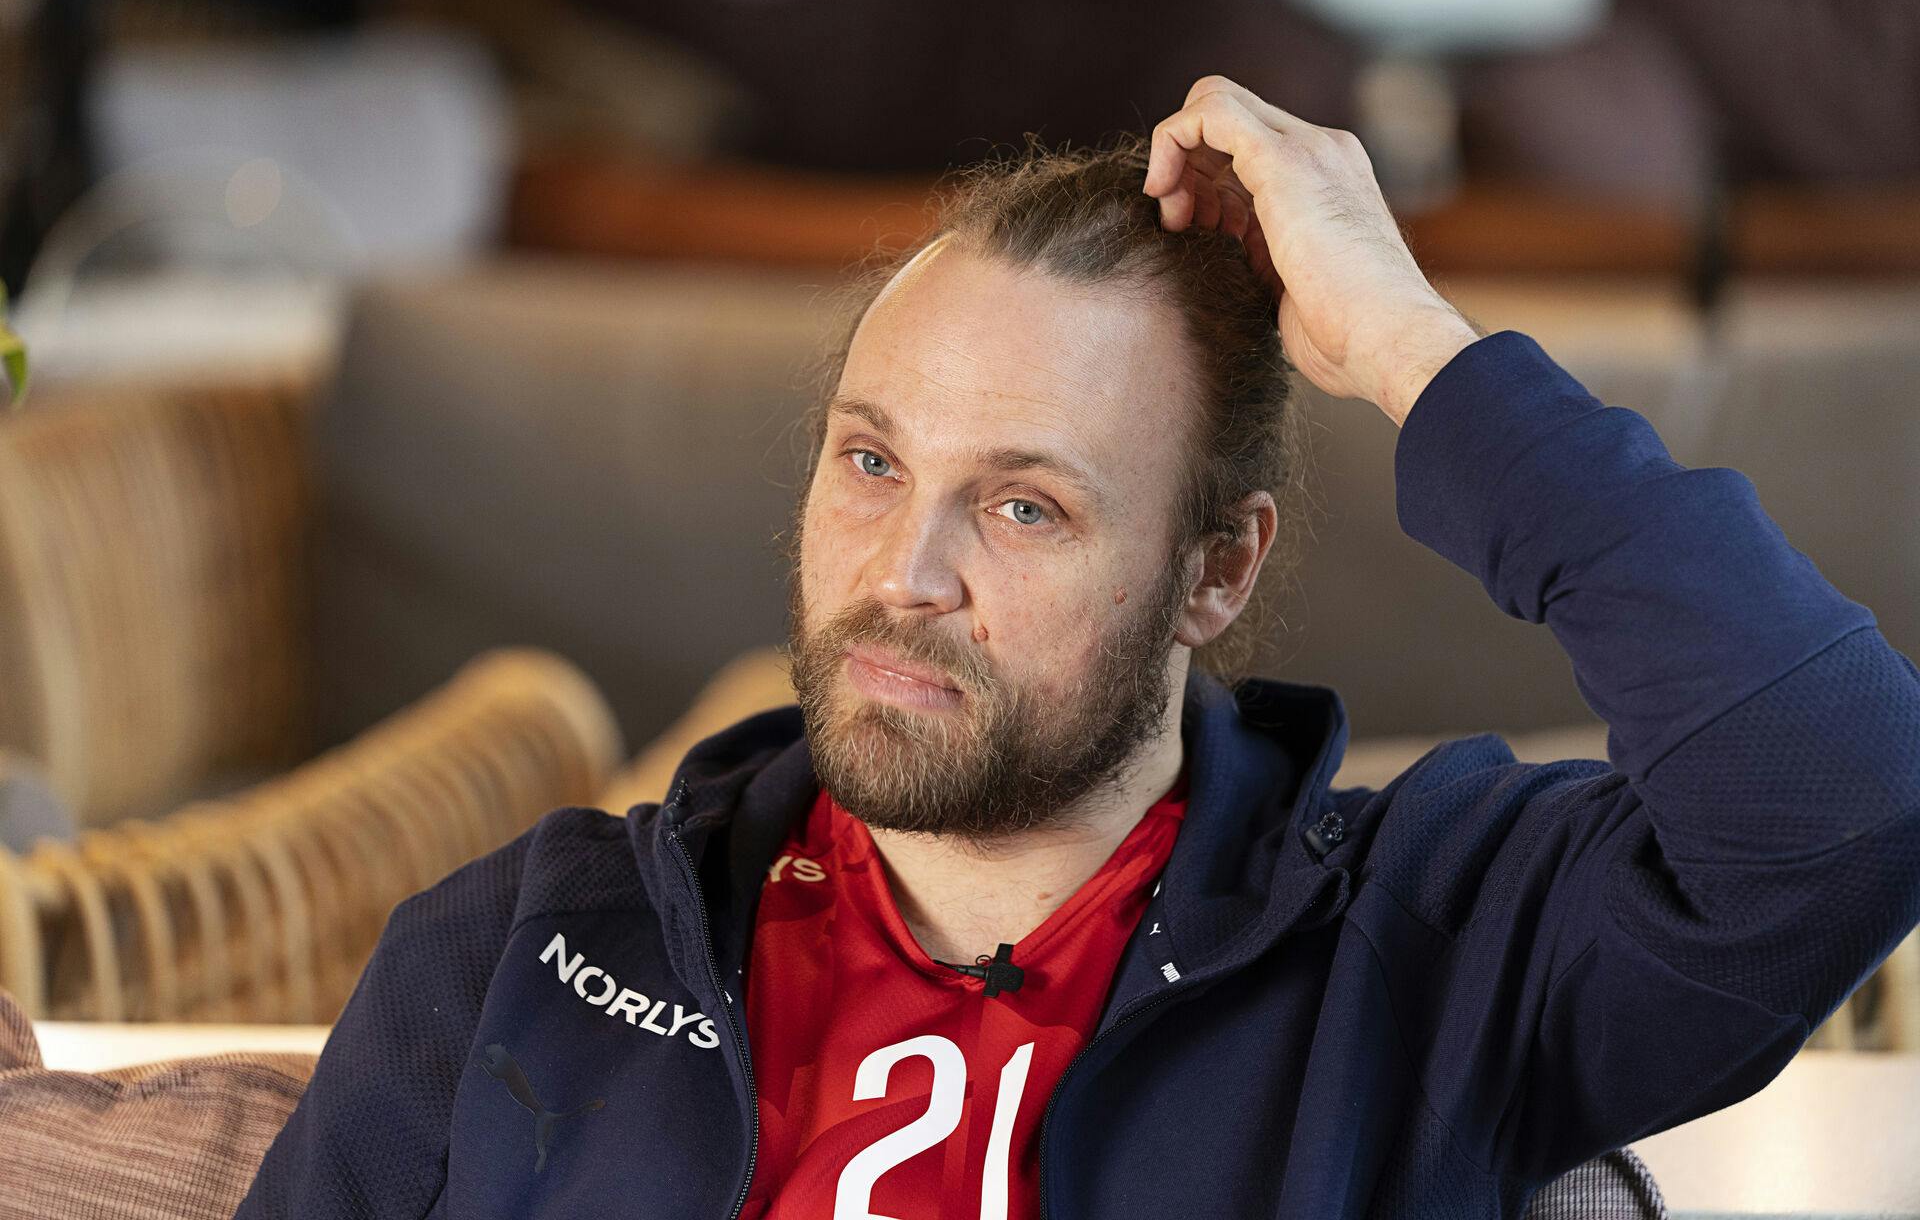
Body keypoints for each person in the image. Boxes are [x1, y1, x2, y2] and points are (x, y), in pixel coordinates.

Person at [233, 76, 1920, 1219]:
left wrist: (1408, 340)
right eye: (872, 462)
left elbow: (1848, 792)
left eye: (1026, 507)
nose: (910, 573)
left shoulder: (1431, 945)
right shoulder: (527, 942)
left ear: (1213, 573)